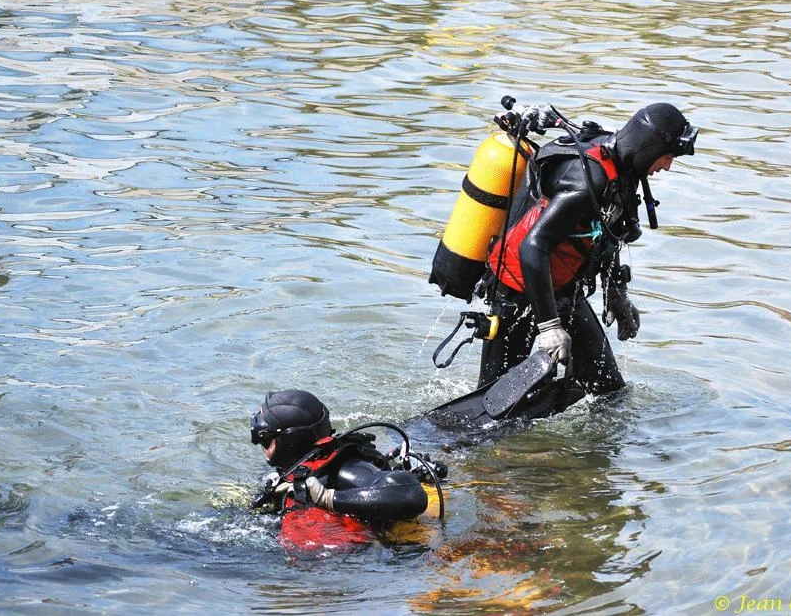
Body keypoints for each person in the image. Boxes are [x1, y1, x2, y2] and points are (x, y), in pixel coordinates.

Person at [481, 102, 698, 404]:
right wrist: (550, 328)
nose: (667, 166)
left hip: (565, 293)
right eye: (667, 156)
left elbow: (607, 231)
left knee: (610, 394)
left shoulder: (624, 168)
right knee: (491, 406)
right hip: (518, 292)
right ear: (649, 146)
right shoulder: (586, 181)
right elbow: (532, 246)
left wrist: (617, 295)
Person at [250, 389, 430, 522]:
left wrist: (329, 498)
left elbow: (412, 496)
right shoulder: (291, 472)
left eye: (264, 439)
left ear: (290, 442)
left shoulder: (346, 471)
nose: (260, 445)